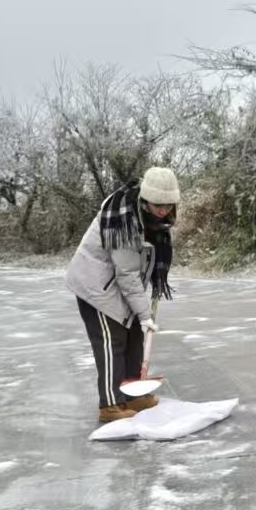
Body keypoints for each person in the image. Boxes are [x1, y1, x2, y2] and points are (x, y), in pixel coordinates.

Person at [65, 166, 181, 424]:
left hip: (116, 283)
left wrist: (143, 312)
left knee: (134, 336)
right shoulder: (125, 219)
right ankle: (110, 404)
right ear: (145, 199)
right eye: (158, 204)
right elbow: (126, 273)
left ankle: (133, 395)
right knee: (112, 342)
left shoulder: (152, 219)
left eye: (169, 205)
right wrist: (143, 313)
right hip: (96, 287)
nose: (164, 210)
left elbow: (141, 265)